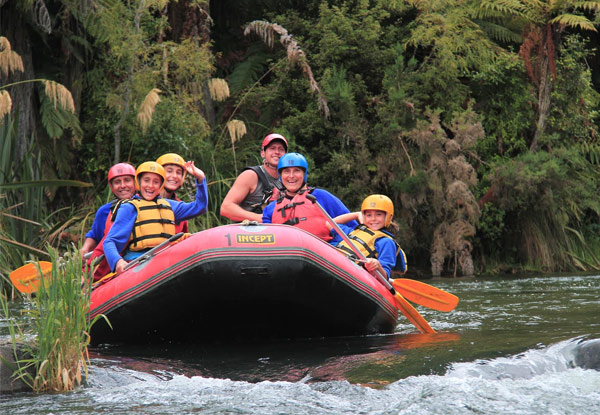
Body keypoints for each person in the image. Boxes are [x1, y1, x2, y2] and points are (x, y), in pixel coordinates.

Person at [103, 160, 208, 275]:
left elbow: (200, 207)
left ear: (161, 185)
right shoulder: (129, 208)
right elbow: (110, 241)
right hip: (138, 261)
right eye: (146, 180)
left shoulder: (169, 205)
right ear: (138, 182)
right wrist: (118, 262)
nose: (150, 186)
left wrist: (201, 179)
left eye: (156, 182)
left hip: (165, 259)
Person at [262, 152, 358, 244]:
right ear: (280, 176)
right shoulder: (271, 209)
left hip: (322, 256)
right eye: (286, 171)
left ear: (304, 174)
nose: (291, 176)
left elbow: (353, 227)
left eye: (297, 171)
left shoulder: (321, 197)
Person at [333, 194, 407, 280]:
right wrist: (356, 215)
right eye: (368, 215)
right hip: (335, 265)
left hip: (355, 278)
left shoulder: (387, 242)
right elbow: (330, 224)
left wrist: (378, 266)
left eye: (378, 214)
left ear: (388, 217)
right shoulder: (355, 233)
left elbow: (385, 277)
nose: (373, 219)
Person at [220, 133, 288, 222]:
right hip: (249, 232)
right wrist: (263, 218)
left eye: (281, 149)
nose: (277, 152)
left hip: (276, 232)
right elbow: (226, 208)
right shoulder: (250, 175)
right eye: (272, 148)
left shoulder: (288, 179)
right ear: (263, 153)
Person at [80, 162, 136, 257]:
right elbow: (95, 235)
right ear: (111, 187)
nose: (123, 185)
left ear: (135, 183)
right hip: (115, 262)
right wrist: (85, 248)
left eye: (127, 180)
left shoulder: (145, 204)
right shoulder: (104, 211)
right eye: (117, 182)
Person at [156, 152, 190, 233]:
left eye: (178, 172)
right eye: (169, 171)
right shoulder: (140, 200)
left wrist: (200, 179)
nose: (174, 176)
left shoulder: (181, 206)